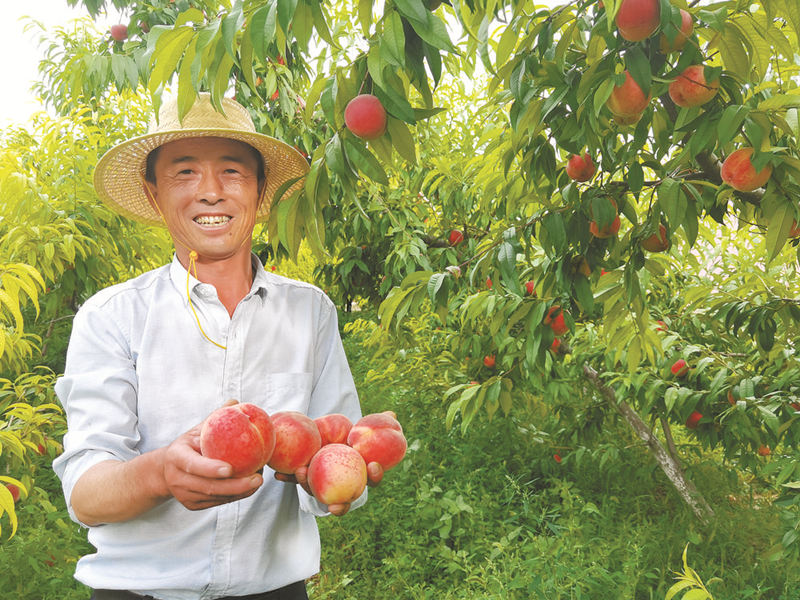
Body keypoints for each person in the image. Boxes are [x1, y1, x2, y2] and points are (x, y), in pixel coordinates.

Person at [53, 93, 378, 600]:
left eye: (231, 171)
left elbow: (334, 450)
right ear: (154, 192)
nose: (210, 192)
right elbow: (87, 495)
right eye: (184, 172)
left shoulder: (309, 312)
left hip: (274, 590)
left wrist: (330, 477)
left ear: (259, 187)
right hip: (137, 592)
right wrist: (160, 473)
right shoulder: (112, 316)